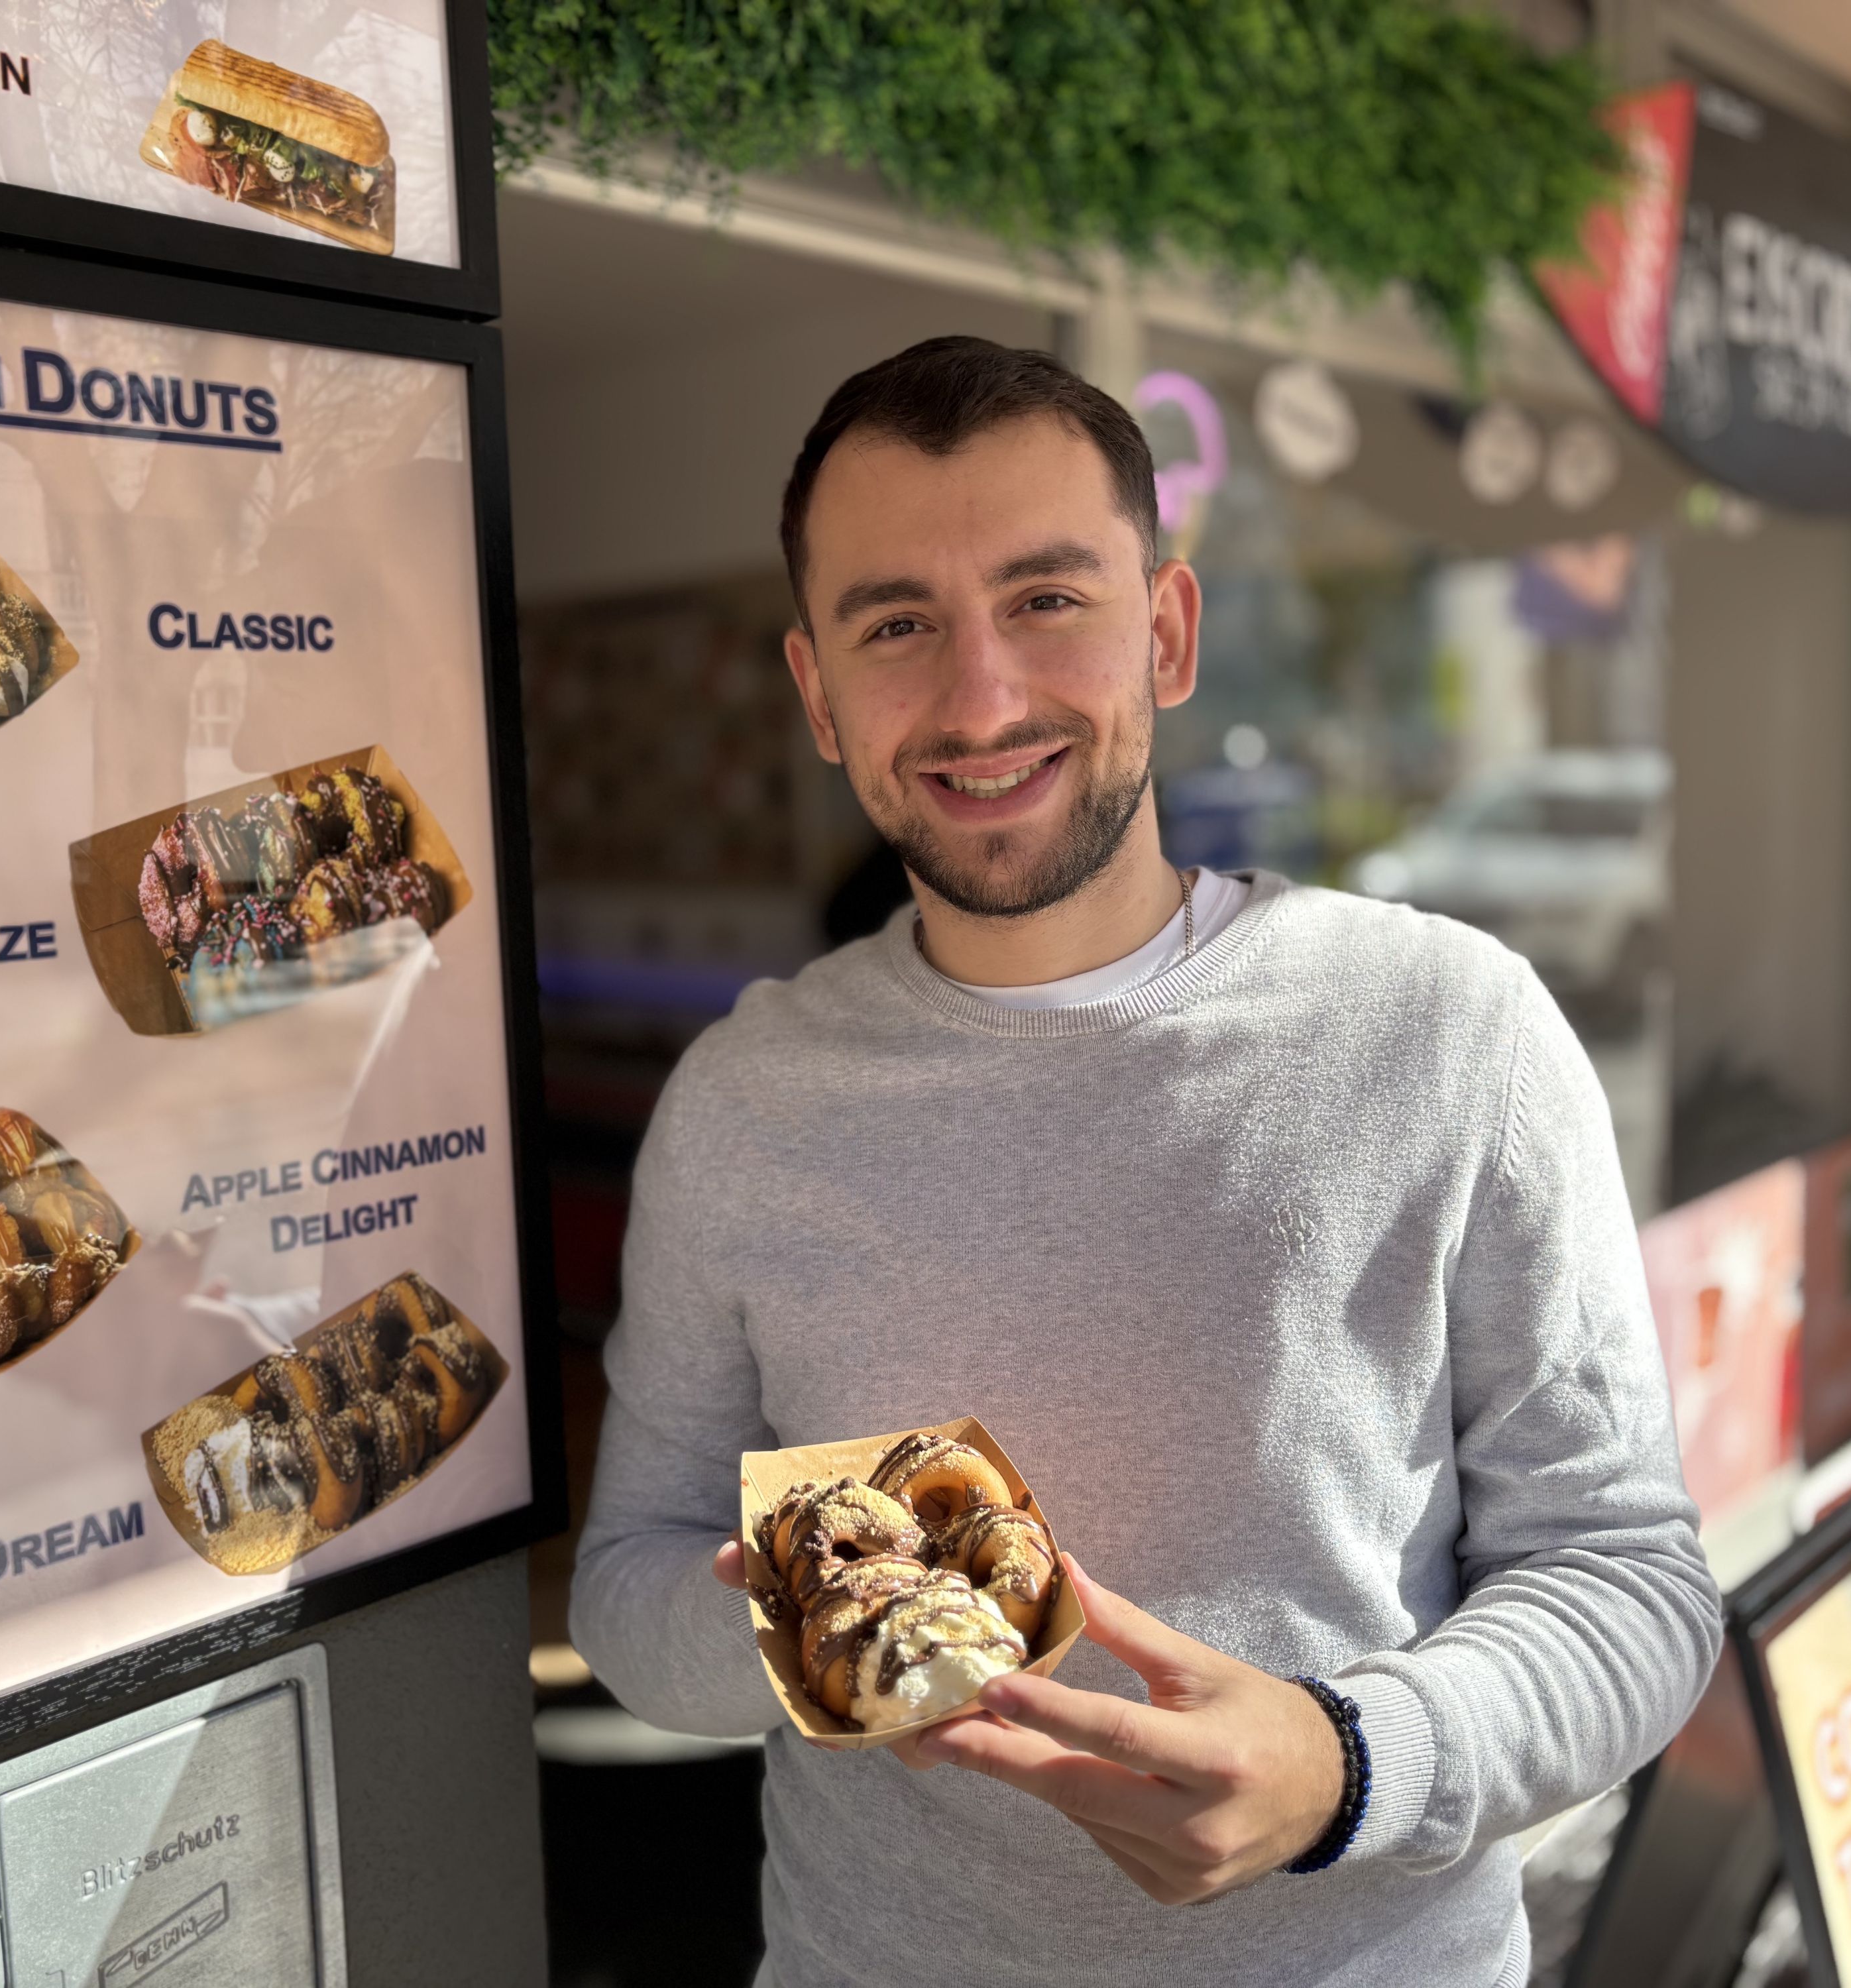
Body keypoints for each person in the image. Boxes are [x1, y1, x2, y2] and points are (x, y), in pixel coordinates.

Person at [569, 335, 1719, 1985]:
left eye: (1047, 599)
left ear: (1165, 633)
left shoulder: (1448, 1028)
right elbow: (626, 1593)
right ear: (818, 693)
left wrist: (1342, 1763)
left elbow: (1627, 1584)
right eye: (897, 625)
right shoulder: (744, 1101)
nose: (980, 698)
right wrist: (852, 1611)